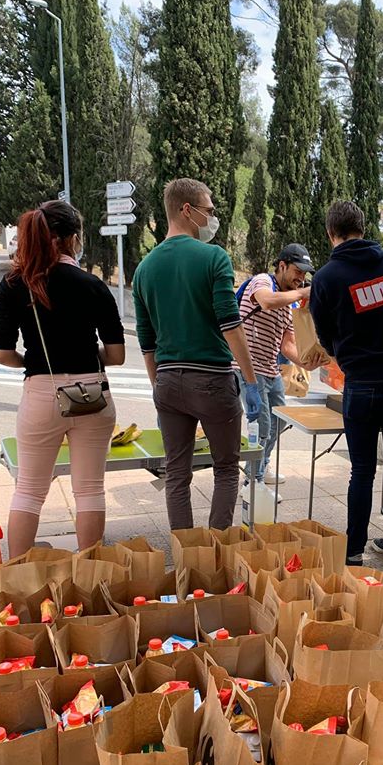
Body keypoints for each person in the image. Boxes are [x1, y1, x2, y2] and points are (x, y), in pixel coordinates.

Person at [0, 200, 125, 557]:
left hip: (40, 394)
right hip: (92, 397)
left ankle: (19, 578)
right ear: (71, 239)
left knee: (30, 491)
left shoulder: (14, 285)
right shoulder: (93, 285)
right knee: (90, 490)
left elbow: (3, 354)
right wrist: (85, 359)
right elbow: (116, 355)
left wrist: (33, 363)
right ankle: (90, 576)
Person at [133, 177, 262, 531]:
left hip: (169, 380)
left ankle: (186, 561)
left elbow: (147, 343)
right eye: (209, 210)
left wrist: (158, 387)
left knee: (177, 475)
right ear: (186, 210)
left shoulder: (144, 269)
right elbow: (230, 324)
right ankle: (215, 556)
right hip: (212, 379)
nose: (212, 217)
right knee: (225, 469)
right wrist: (251, 382)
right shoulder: (214, 257)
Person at [309, 200, 383, 567]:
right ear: (362, 227)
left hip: (361, 384)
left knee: (361, 469)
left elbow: (325, 337)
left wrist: (353, 344)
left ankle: (354, 551)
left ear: (332, 234)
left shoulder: (326, 278)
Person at [236, 244, 327, 490]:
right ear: (282, 266)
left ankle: (260, 468)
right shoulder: (262, 281)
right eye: (298, 272)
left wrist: (310, 361)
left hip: (270, 370)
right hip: (247, 368)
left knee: (279, 421)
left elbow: (287, 346)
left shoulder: (289, 304)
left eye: (305, 275)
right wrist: (302, 294)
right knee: (262, 425)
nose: (301, 279)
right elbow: (265, 302)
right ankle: (252, 484)